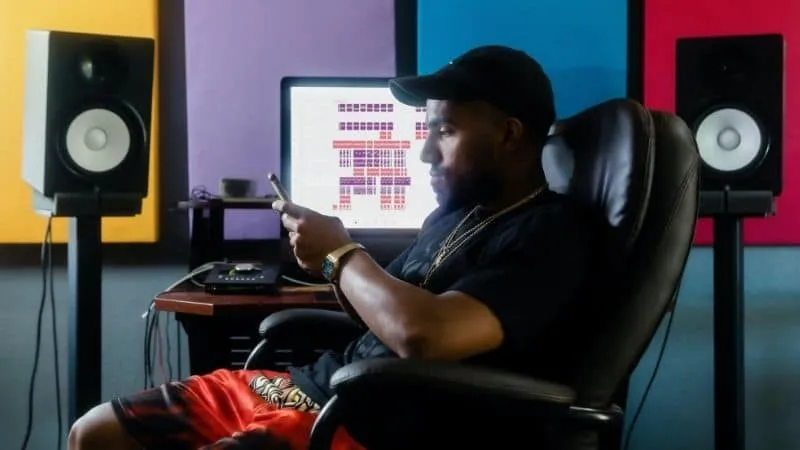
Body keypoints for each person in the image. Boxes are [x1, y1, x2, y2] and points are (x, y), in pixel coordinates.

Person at [68, 45, 593, 450]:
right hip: (315, 388)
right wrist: (329, 263)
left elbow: (426, 335)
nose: (426, 153)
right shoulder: (456, 215)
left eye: (446, 131)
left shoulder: (551, 235)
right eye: (428, 130)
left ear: (509, 135)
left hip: (368, 424)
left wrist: (343, 254)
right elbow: (380, 317)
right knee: (95, 432)